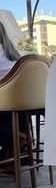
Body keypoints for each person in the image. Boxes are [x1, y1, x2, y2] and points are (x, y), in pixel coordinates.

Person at [0, 21, 26, 162]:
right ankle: (17, 147)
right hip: (24, 107)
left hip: (6, 107)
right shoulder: (14, 54)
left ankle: (15, 137)